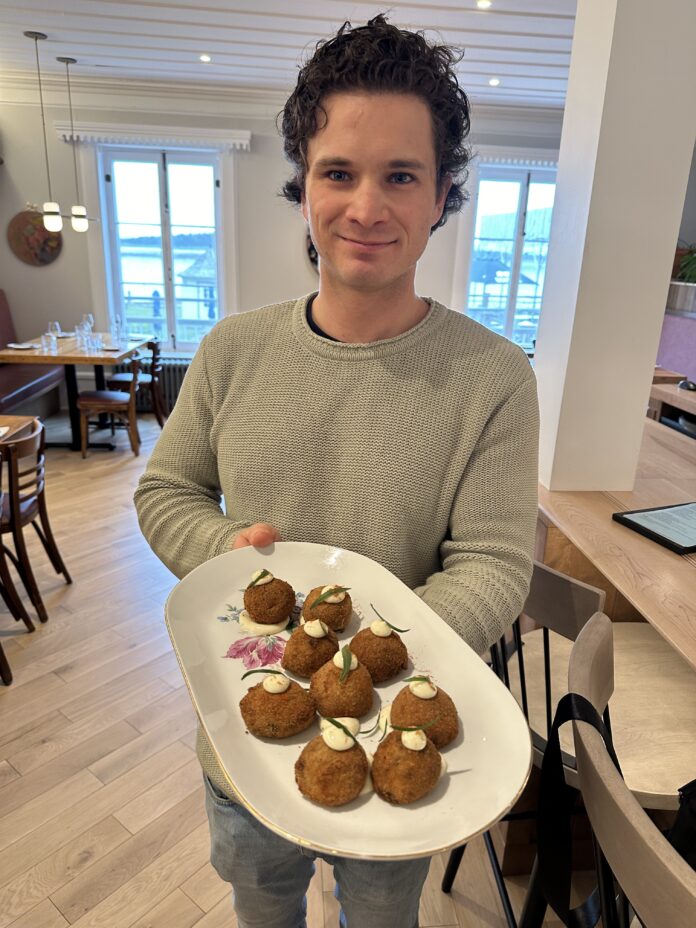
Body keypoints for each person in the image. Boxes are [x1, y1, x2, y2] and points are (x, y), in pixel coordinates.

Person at [135, 14, 538, 928]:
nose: (367, 206)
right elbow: (167, 491)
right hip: (246, 728)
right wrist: (227, 547)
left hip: (402, 728)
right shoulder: (233, 351)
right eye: (338, 173)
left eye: (402, 175)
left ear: (442, 196)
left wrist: (374, 653)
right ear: (303, 186)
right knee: (262, 897)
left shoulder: (493, 378)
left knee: (381, 913)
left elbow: (494, 563)